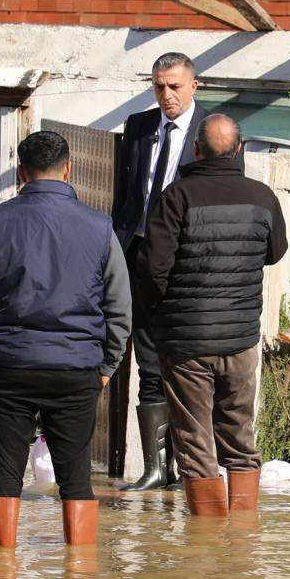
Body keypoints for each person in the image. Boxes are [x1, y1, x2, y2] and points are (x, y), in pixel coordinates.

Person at [0, 130, 131, 548]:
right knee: (76, 476)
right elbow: (119, 307)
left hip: (5, 366)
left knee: (5, 472)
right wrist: (107, 365)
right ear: (69, 169)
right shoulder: (100, 227)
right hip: (75, 368)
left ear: (21, 173)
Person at [137, 114, 288, 516]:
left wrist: (154, 314)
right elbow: (275, 252)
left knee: (194, 438)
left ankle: (204, 542)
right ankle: (240, 537)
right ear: (239, 150)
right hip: (240, 339)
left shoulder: (176, 197)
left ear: (196, 149)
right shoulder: (262, 197)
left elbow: (154, 270)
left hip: (186, 342)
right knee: (240, 432)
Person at [112, 52, 207, 491]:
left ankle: (189, 464)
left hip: (186, 261)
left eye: (173, 86)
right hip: (138, 253)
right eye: (158, 86)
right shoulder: (138, 127)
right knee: (144, 356)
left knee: (185, 361)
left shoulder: (213, 133)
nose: (166, 95)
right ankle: (155, 467)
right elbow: (125, 195)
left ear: (193, 86)